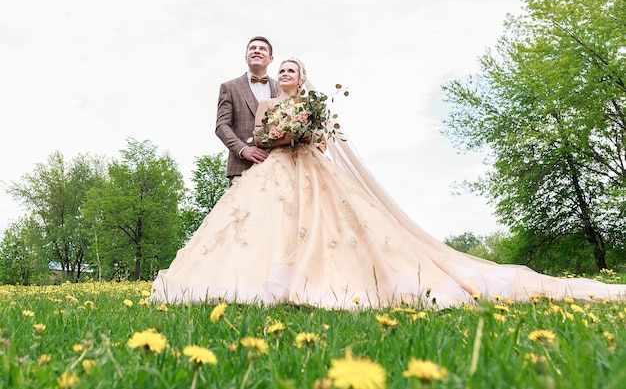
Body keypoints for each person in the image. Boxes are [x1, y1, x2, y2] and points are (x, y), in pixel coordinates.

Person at [150, 58, 626, 309]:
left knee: (330, 225)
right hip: (272, 169)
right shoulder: (268, 102)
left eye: (291, 70)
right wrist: (273, 136)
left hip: (309, 168)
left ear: (300, 75)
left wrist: (302, 131)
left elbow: (321, 135)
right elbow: (256, 135)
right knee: (260, 227)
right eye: (282, 71)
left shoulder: (312, 101)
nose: (285, 75)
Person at [215, 36, 280, 185]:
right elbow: (221, 126)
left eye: (262, 49)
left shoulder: (282, 89)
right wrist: (243, 149)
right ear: (246, 57)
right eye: (253, 48)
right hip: (241, 168)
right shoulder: (229, 87)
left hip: (277, 168)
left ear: (271, 58)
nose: (257, 51)